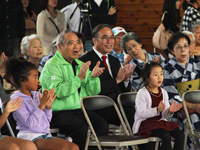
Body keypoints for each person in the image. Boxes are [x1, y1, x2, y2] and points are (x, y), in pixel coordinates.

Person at [39, 29, 109, 150]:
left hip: (79, 109)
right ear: (60, 47)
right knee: (80, 128)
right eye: (71, 43)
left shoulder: (79, 64)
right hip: (57, 112)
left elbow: (93, 92)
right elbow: (57, 92)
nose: (77, 46)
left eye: (79, 42)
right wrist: (79, 78)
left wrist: (92, 78)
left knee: (102, 125)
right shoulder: (51, 65)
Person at [5, 58, 79, 150]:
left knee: (74, 147)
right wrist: (41, 106)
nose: (38, 80)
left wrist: (48, 107)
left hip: (46, 135)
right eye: (35, 77)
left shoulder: (37, 95)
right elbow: (29, 124)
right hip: (30, 137)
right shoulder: (17, 99)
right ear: (23, 81)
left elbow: (46, 121)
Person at [79, 24, 135, 127]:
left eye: (112, 38)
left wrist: (125, 80)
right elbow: (91, 89)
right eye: (105, 38)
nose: (110, 41)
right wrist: (117, 80)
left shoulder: (114, 61)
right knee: (133, 115)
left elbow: (120, 90)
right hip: (97, 109)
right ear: (94, 41)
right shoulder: (84, 61)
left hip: (117, 106)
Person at [133, 61, 184, 150]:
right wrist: (156, 110)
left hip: (159, 123)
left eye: (161, 73)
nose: (160, 77)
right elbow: (141, 113)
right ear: (147, 77)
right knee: (165, 135)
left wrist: (168, 111)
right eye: (155, 75)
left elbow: (163, 114)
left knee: (180, 134)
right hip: (145, 124)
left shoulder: (163, 92)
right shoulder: (142, 93)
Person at [162, 32, 200, 149]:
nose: (183, 50)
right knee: (193, 119)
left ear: (189, 48)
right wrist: (193, 106)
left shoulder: (198, 64)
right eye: (178, 47)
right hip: (179, 109)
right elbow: (172, 96)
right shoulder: (166, 69)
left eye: (185, 46)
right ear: (172, 51)